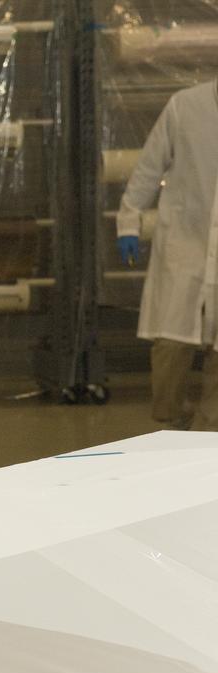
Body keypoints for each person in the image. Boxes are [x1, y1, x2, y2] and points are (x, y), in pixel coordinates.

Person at [116, 79, 218, 430]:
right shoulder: (185, 106)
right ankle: (169, 425)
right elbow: (149, 166)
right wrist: (129, 220)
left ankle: (209, 440)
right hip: (185, 244)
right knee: (171, 346)